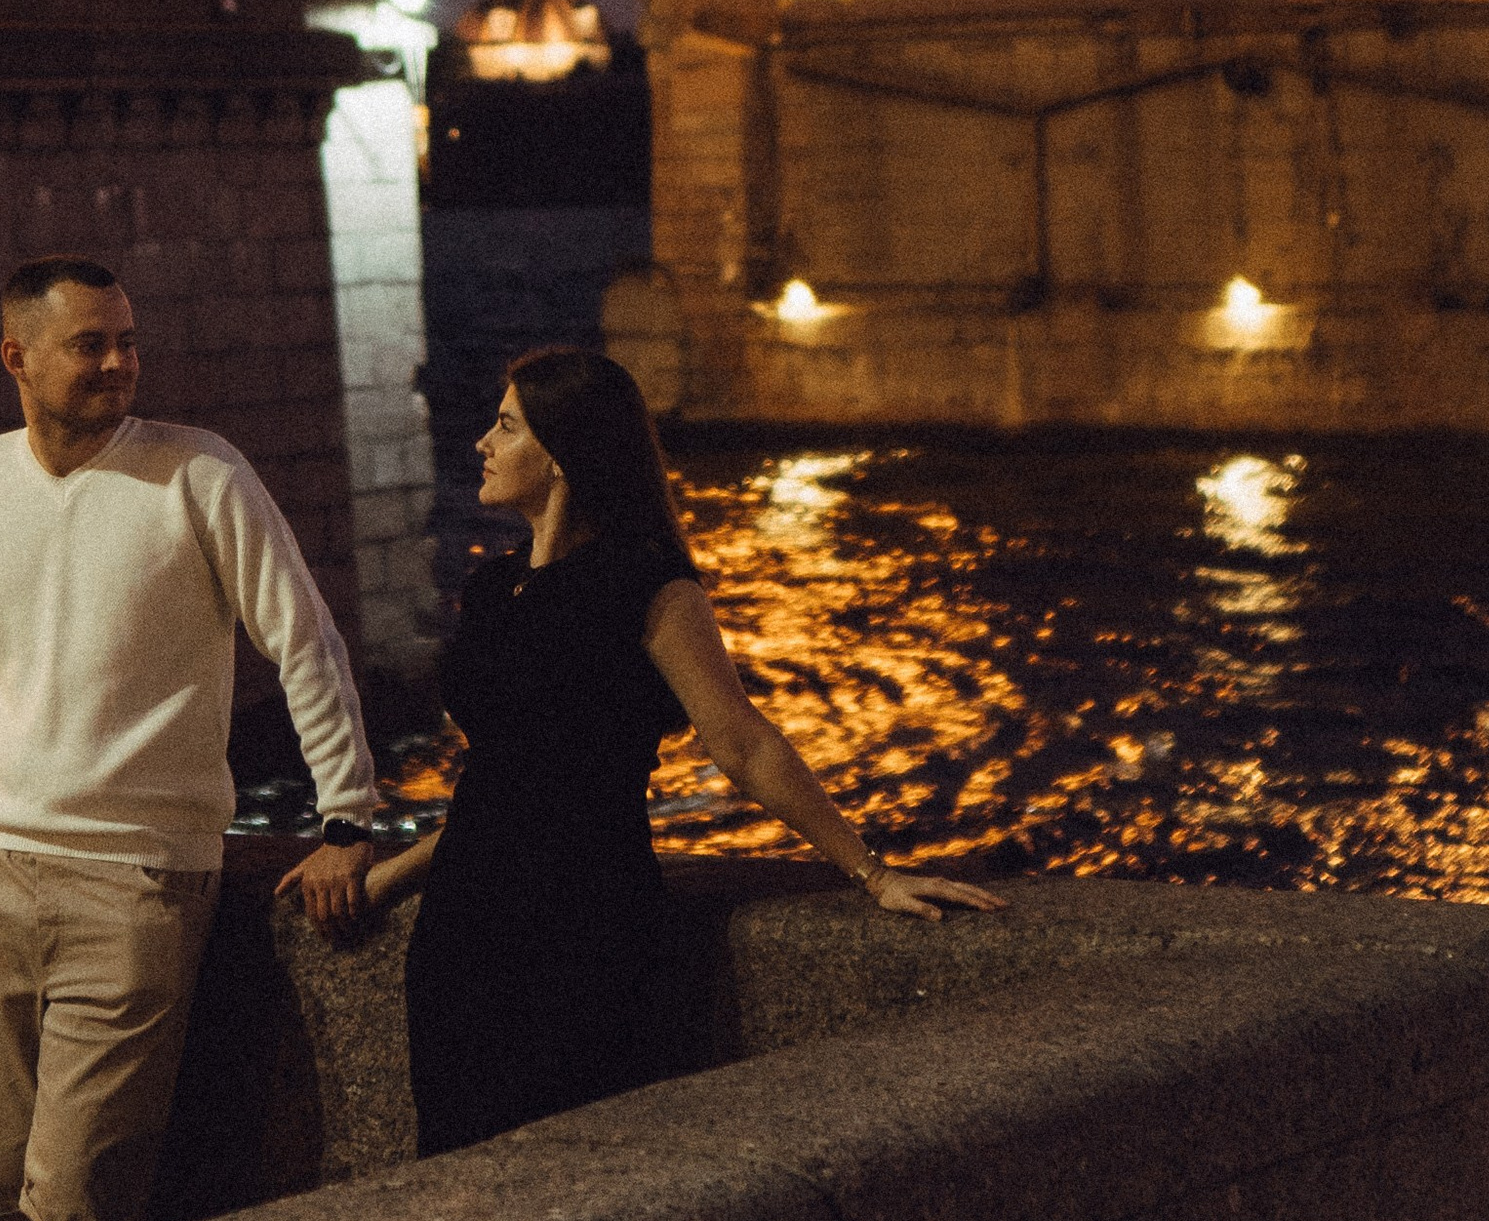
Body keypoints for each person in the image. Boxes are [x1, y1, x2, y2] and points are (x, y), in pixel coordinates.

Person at [344, 347, 1002, 1155]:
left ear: (560, 453)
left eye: (506, 425)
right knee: (454, 1166)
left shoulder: (647, 587)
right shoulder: (493, 591)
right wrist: (386, 879)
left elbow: (742, 742)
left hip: (580, 924)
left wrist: (869, 870)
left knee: (570, 1176)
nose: (481, 441)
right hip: (462, 937)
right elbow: (503, 791)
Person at [0, 255, 380, 1221]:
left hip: (137, 881)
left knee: (80, 1217)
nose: (120, 363)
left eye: (128, 340)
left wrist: (346, 817)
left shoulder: (201, 475)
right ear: (18, 359)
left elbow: (303, 642)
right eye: (90, 344)